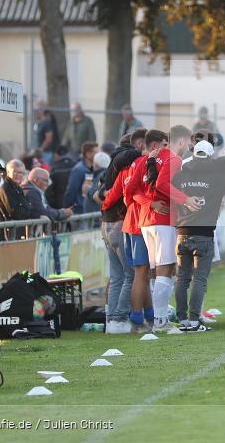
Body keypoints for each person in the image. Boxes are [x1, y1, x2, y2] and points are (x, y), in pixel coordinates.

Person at [127, 127, 191, 332]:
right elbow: (163, 184)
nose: (188, 147)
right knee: (166, 270)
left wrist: (149, 203)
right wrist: (186, 199)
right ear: (181, 141)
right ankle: (160, 321)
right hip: (164, 219)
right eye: (188, 142)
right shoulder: (174, 159)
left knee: (156, 272)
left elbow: (131, 191)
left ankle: (157, 319)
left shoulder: (144, 160)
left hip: (146, 222)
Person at [169, 140, 225, 333]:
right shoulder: (218, 178)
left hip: (182, 232)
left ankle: (182, 320)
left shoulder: (179, 176)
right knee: (199, 279)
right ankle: (194, 320)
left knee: (182, 278)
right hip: (204, 234)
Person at [95, 133, 143, 335]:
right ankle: (119, 318)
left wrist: (104, 200)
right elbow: (120, 194)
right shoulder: (128, 167)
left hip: (106, 223)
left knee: (116, 277)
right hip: (120, 223)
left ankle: (112, 320)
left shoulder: (110, 167)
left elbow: (97, 193)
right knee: (130, 274)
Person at [62, 141, 99, 214]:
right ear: (88, 154)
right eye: (96, 152)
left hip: (89, 210)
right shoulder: (78, 170)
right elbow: (71, 191)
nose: (98, 155)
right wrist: (67, 208)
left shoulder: (94, 169)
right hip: (79, 211)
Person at [46, 145, 76, 209]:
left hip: (59, 204)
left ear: (56, 154)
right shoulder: (76, 165)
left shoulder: (54, 168)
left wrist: (52, 204)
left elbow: (48, 189)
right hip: (74, 204)